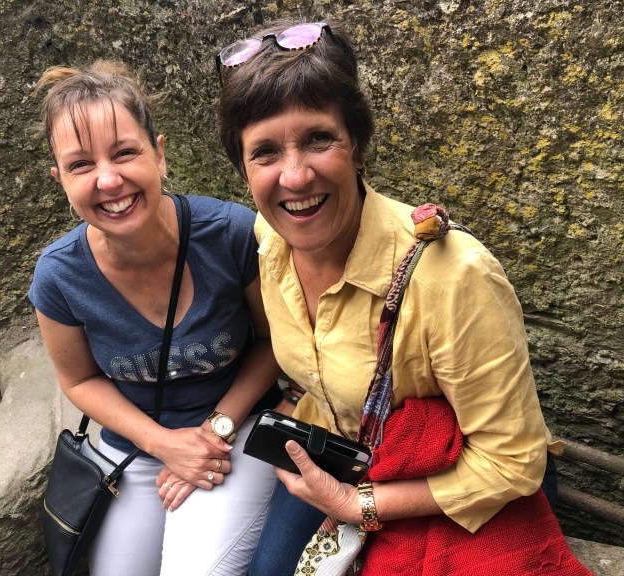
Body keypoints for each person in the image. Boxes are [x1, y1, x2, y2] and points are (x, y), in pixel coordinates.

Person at [216, 19, 590, 575]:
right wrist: (293, 405)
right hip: (344, 454)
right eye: (264, 152)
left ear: (358, 146)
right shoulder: (269, 242)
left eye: (318, 139)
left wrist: (357, 506)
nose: (294, 177)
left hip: (454, 476)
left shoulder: (454, 276)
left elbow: (513, 463)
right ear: (243, 170)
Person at [30, 60, 282, 576]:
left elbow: (273, 340)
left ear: (159, 154)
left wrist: (214, 431)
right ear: (60, 180)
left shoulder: (230, 234)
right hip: (138, 448)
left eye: (125, 153)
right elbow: (78, 380)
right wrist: (162, 443)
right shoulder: (59, 276)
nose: (108, 180)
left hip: (235, 430)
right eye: (81, 165)